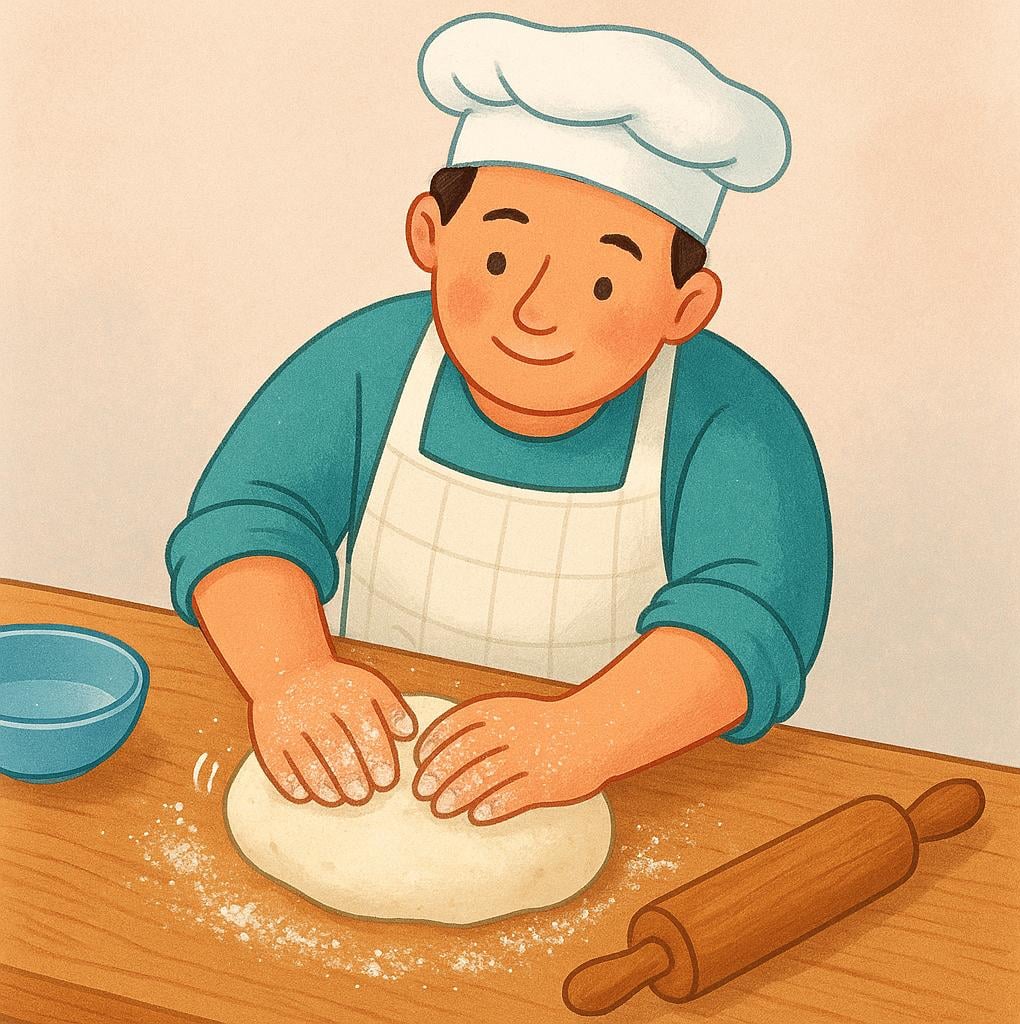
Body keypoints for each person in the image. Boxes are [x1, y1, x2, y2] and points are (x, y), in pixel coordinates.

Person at [166, 14, 831, 825]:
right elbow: (247, 523)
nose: (533, 313)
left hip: (634, 784)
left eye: (600, 287)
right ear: (429, 235)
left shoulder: (735, 423)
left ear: (684, 307)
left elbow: (751, 623)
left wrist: (587, 734)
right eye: (498, 259)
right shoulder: (369, 361)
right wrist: (291, 674)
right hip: (382, 775)